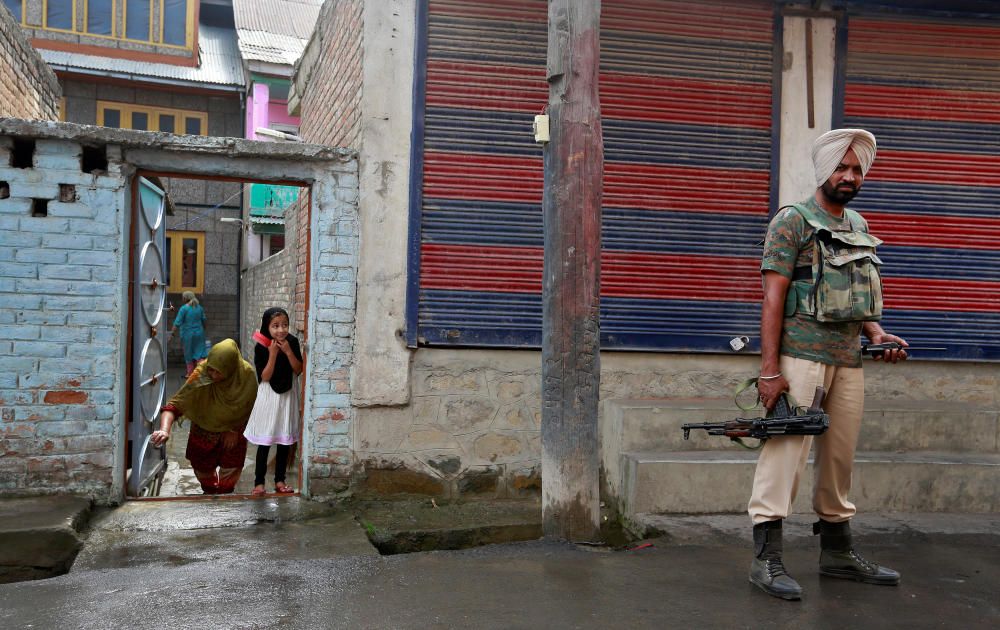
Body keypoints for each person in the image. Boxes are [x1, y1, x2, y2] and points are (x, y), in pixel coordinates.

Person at [749, 128, 908, 600]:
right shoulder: (791, 222)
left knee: (839, 459)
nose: (849, 176)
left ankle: (837, 553)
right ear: (824, 170)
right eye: (841, 167)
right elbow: (771, 299)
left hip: (848, 361)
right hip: (800, 359)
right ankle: (766, 560)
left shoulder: (857, 224)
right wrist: (770, 369)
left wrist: (878, 335)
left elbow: (857, 297)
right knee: (785, 455)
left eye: (857, 169)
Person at [150, 339, 257, 494]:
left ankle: (225, 504)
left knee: (228, 479)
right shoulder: (201, 373)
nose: (212, 375)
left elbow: (252, 408)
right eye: (211, 369)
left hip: (233, 435)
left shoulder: (246, 375)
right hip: (204, 433)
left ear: (231, 368)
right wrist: (164, 431)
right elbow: (175, 405)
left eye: (218, 371)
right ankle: (209, 494)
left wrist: (233, 430)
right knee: (204, 473)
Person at [243, 307, 303, 496]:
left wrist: (287, 351)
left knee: (284, 439)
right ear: (266, 327)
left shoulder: (292, 342)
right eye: (275, 326)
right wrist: (274, 354)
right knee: (265, 440)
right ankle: (259, 483)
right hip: (269, 396)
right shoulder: (262, 345)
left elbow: (298, 369)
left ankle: (280, 480)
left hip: (287, 396)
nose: (281, 330)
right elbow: (265, 376)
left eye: (284, 325)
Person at [170, 291, 208, 376]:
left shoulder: (184, 309)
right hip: (199, 333)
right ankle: (201, 372)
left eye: (183, 297)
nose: (182, 299)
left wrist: (171, 334)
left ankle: (190, 373)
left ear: (186, 298)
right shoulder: (199, 308)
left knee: (189, 353)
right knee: (199, 353)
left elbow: (177, 322)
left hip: (188, 334)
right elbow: (204, 320)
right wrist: (204, 329)